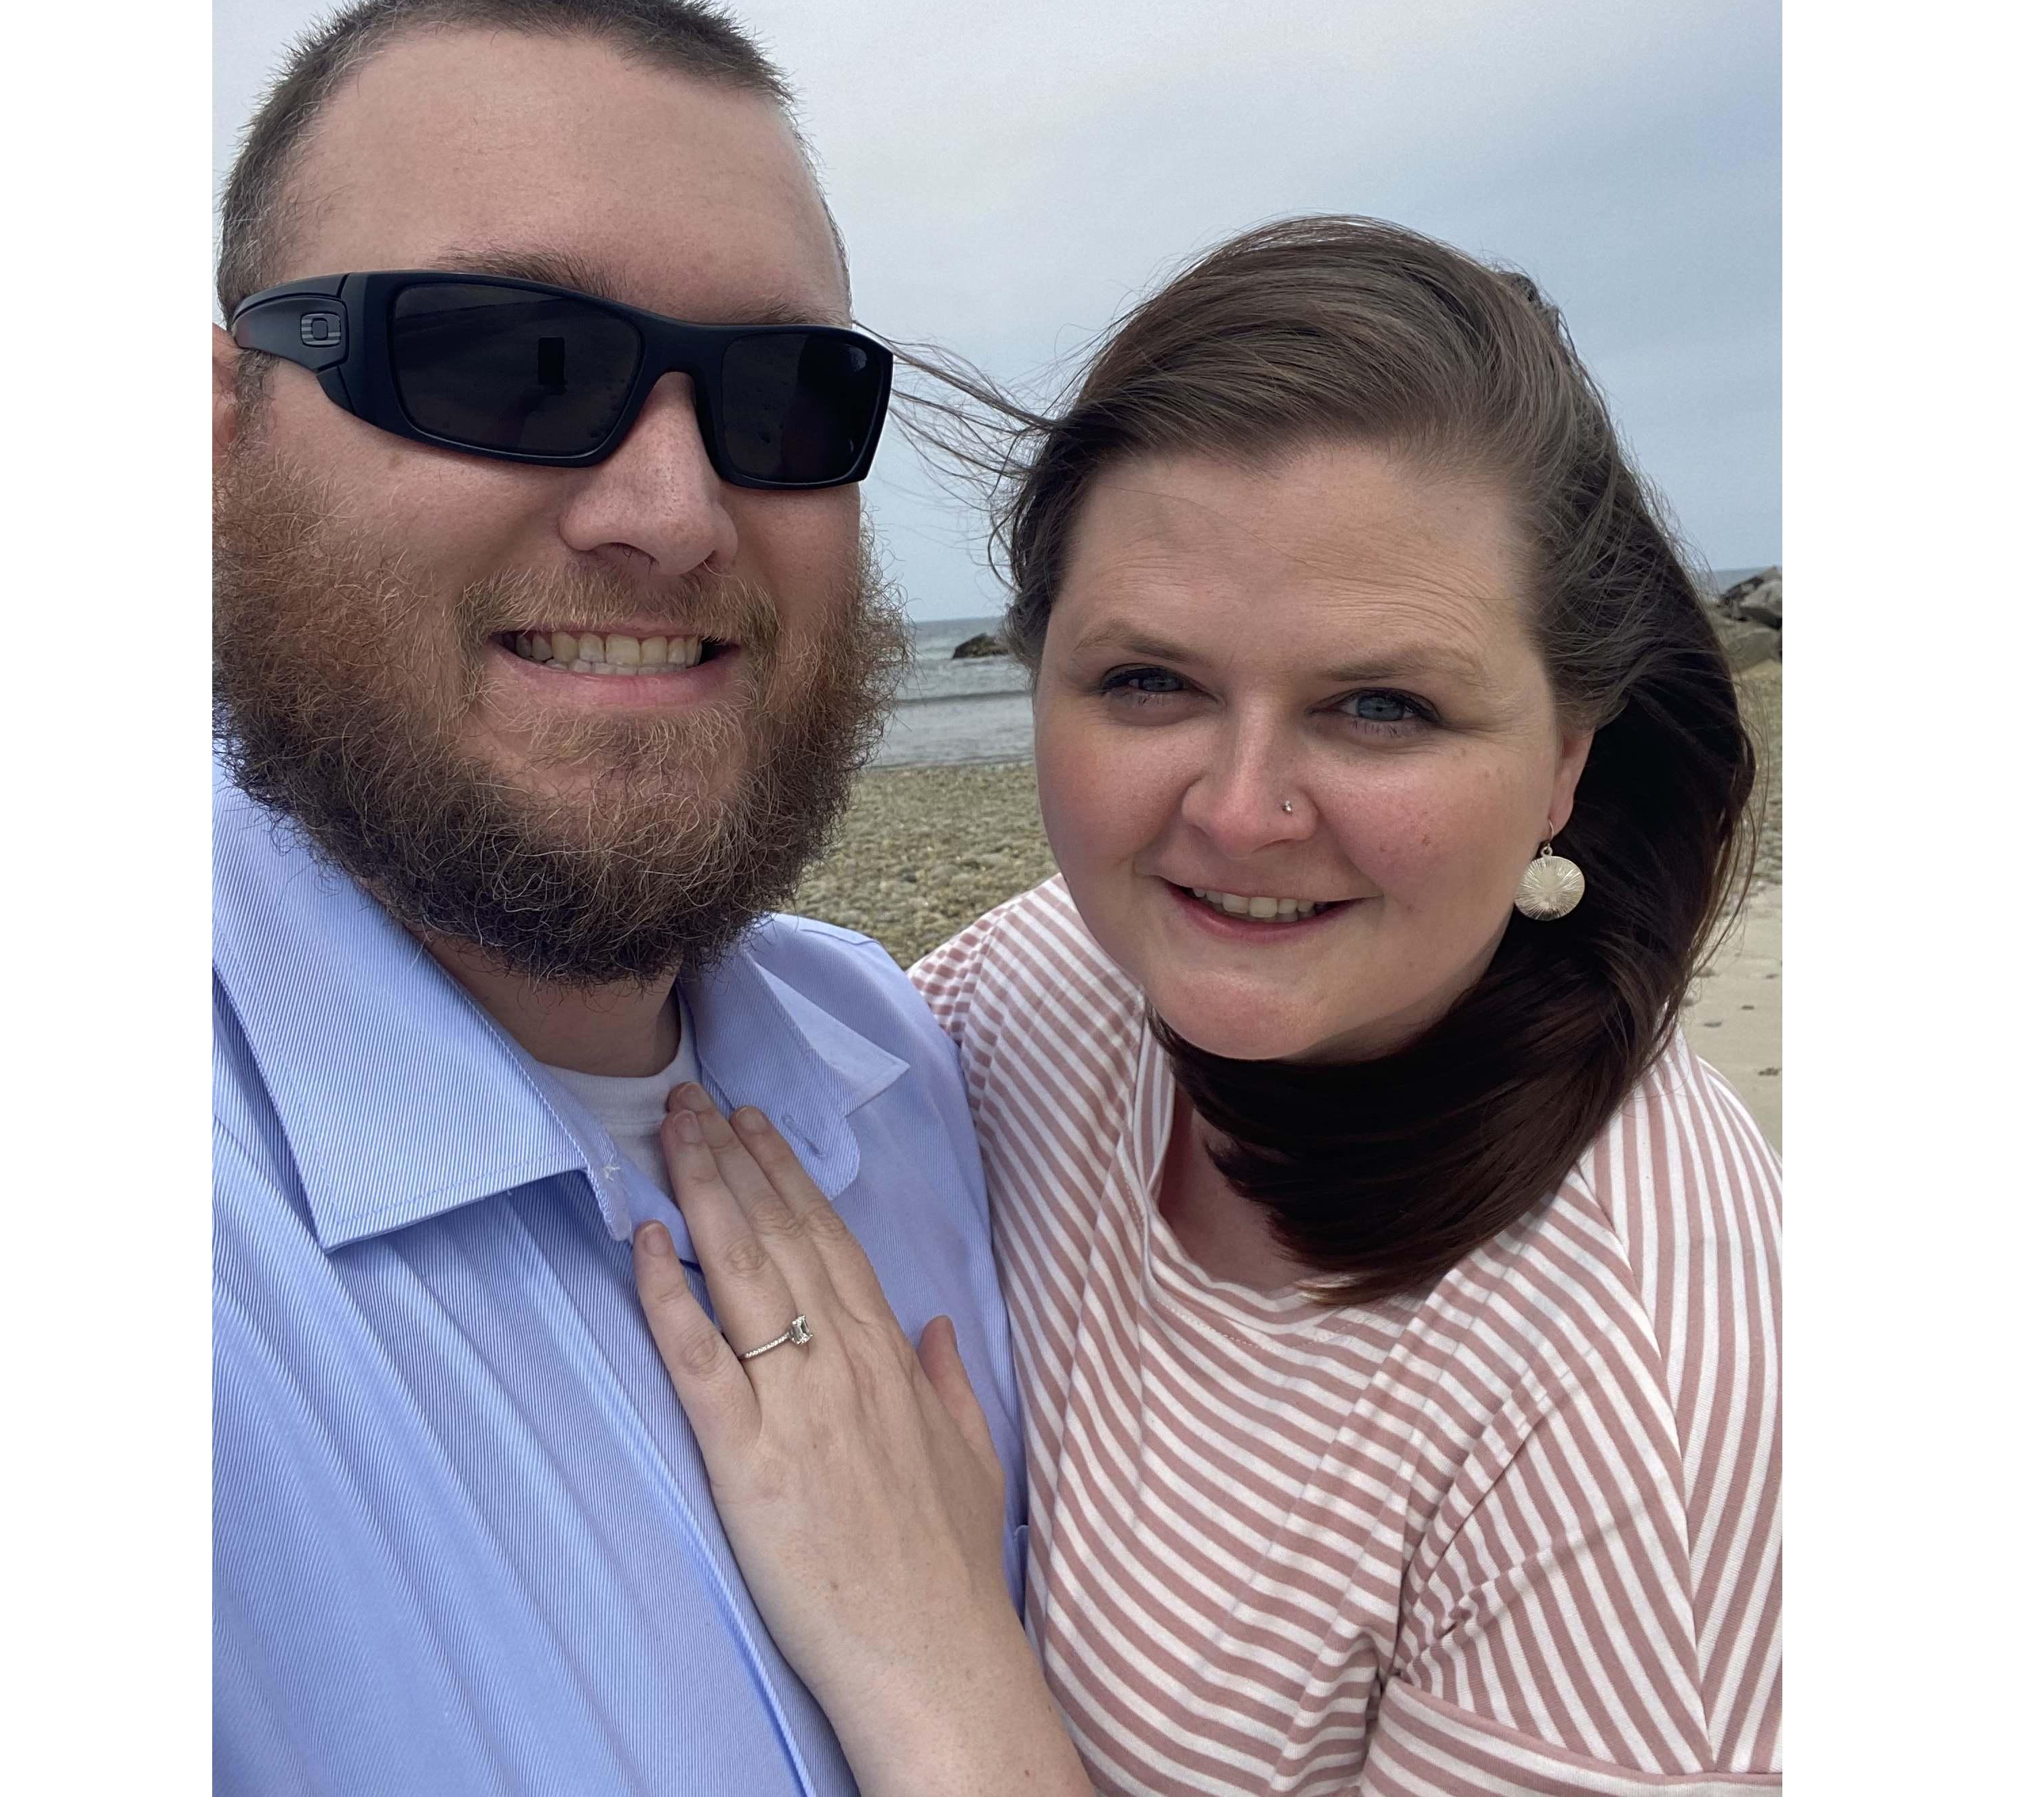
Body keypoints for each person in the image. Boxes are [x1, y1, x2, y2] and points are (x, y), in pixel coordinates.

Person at [632, 216, 1783, 1794]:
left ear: (1566, 757)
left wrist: (933, 1658)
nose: (1239, 815)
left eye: (1380, 704)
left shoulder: (1636, 1387)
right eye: (1149, 683)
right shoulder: (1045, 985)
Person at [211, 0, 1037, 1796]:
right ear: (212, 436)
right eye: (511, 365)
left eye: (787, 400)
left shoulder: (903, 1063)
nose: (669, 511)